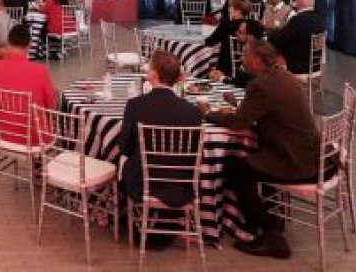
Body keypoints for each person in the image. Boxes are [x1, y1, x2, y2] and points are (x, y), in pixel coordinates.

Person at [200, 38, 321, 259]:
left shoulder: (260, 85)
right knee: (246, 158)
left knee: (233, 167)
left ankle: (269, 231)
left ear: (257, 60)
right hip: (310, 152)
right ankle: (268, 218)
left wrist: (208, 113)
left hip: (291, 159)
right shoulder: (283, 75)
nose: (241, 58)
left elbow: (239, 123)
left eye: (245, 55)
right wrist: (238, 106)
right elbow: (262, 113)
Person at [118, 49, 203, 246]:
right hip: (180, 184)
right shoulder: (193, 112)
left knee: (123, 163)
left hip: (143, 183)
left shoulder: (135, 105)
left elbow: (124, 146)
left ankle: (126, 220)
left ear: (154, 75)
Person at [0, 24, 55, 144]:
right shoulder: (40, 71)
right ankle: (40, 159)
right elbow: (51, 106)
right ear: (29, 46)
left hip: (5, 134)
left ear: (8, 42)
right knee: (54, 96)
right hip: (36, 137)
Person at [269, 0, 324, 74]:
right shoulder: (319, 19)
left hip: (297, 67)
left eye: (295, 1)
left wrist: (269, 34)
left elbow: (279, 39)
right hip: (314, 66)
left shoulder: (298, 20)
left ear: (298, 3)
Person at [208, 18, 265, 88]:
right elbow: (240, 81)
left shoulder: (255, 56)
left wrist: (221, 78)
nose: (236, 33)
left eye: (240, 32)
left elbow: (242, 83)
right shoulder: (256, 49)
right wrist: (222, 77)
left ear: (250, 37)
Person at [205, 0, 253, 77]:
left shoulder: (226, 24)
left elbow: (210, 41)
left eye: (230, 7)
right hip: (248, 64)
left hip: (226, 66)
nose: (228, 9)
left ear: (237, 11)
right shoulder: (252, 24)